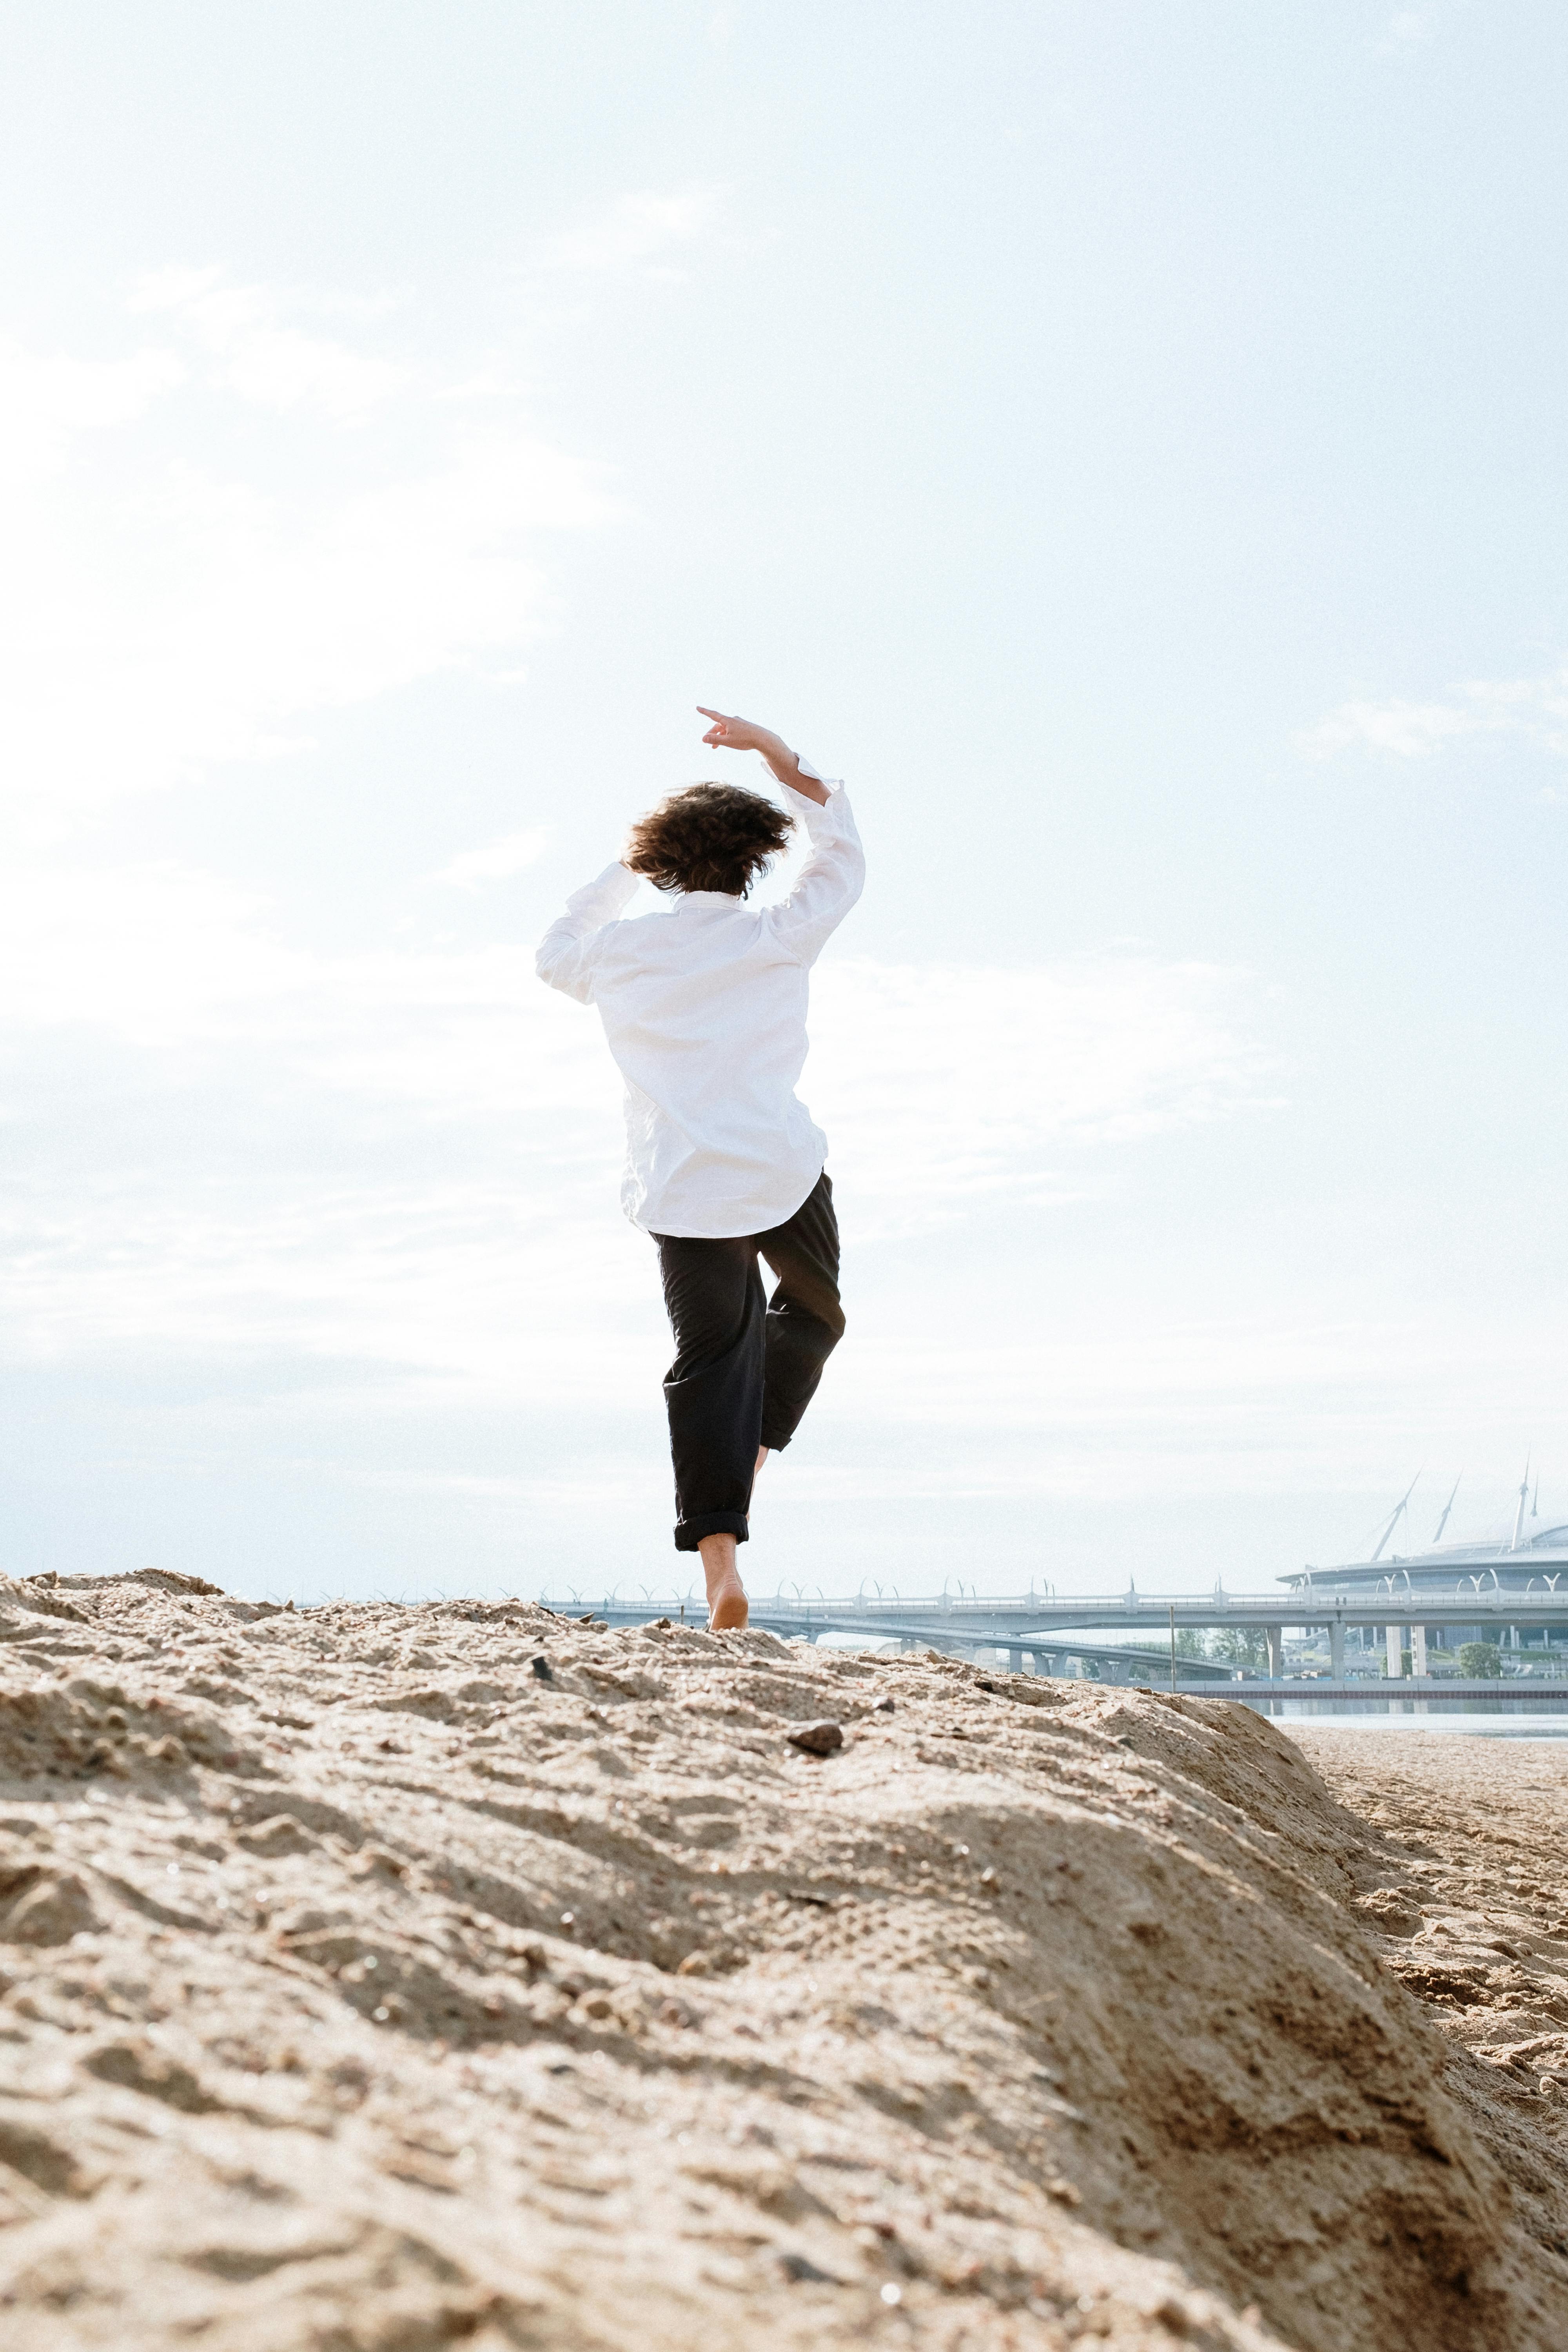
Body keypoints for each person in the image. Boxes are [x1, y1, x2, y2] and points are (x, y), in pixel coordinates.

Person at [535, 709, 865, 1630]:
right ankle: (745, 1463)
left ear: (663, 862)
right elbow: (840, 861)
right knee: (814, 1314)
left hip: (682, 1190)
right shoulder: (775, 935)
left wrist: (623, 870)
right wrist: (780, 760)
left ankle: (719, 1561)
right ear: (754, 860)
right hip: (780, 1174)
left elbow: (552, 950)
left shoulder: (618, 952)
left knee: (710, 1358)